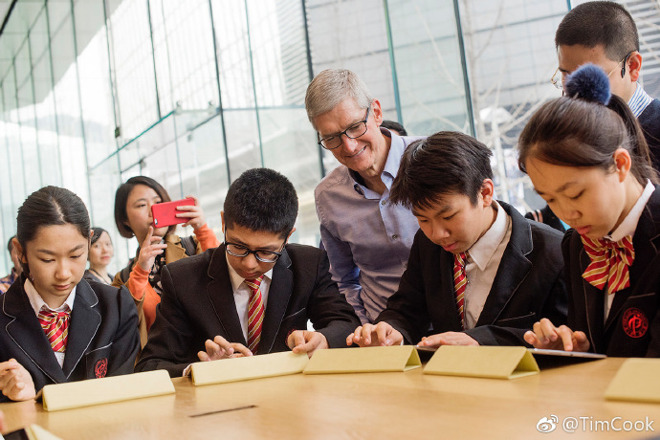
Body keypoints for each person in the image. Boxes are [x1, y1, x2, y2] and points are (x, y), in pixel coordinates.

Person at [347, 132, 567, 348]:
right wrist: (391, 329)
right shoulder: (427, 244)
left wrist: (483, 340)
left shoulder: (553, 252)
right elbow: (407, 308)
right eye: (423, 219)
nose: (437, 234)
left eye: (448, 216)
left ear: (485, 193)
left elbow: (568, 337)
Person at [135, 168, 360, 377]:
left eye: (266, 252)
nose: (250, 264)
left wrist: (323, 339)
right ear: (223, 223)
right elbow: (151, 364)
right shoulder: (183, 278)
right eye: (238, 247)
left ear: (288, 236)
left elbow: (345, 324)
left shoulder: (308, 265)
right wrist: (201, 370)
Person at [519, 64, 660, 357]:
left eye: (575, 194)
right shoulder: (577, 245)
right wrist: (572, 350)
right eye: (550, 199)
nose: (566, 214)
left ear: (620, 165)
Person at [0, 186, 139, 402]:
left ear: (89, 240)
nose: (63, 273)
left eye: (75, 255)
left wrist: (39, 395)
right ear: (20, 251)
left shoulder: (116, 306)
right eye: (47, 259)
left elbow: (124, 393)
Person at [306, 69, 422, 324]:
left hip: (455, 328)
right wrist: (364, 327)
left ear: (377, 113)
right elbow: (342, 280)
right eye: (332, 138)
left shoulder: (432, 161)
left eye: (355, 127)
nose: (349, 146)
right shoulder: (329, 196)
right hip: (383, 336)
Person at [113, 176, 219, 347]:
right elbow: (125, 325)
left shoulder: (194, 246)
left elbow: (223, 276)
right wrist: (140, 271)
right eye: (141, 205)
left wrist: (202, 229)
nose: (153, 211)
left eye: (158, 202)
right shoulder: (123, 278)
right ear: (125, 219)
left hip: (209, 353)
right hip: (159, 365)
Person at [554, 1, 660, 170]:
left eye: (590, 76)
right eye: (566, 75)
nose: (574, 92)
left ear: (632, 66)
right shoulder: (573, 141)